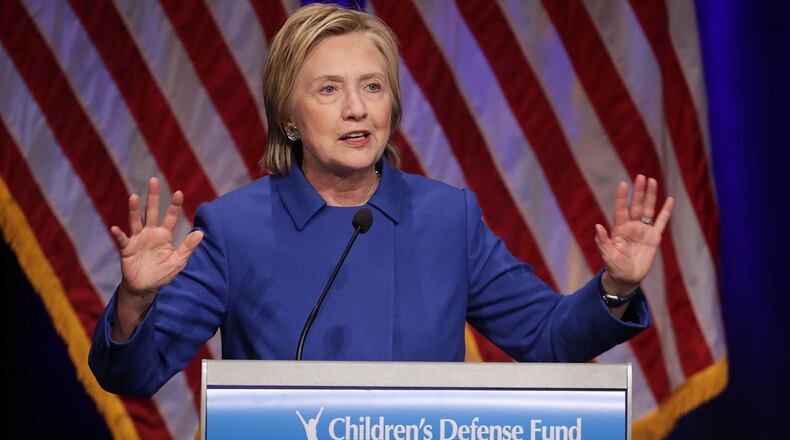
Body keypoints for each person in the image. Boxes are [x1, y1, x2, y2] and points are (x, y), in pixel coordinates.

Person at [89, 4, 673, 397]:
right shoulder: (235, 229)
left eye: (372, 86)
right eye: (328, 90)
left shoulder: (447, 218)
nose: (356, 109)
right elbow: (133, 376)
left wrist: (615, 287)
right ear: (289, 118)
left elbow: (547, 340)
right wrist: (137, 301)